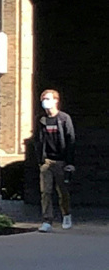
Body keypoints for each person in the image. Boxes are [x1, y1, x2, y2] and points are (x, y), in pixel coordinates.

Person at [34, 89, 75, 232]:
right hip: (47, 161)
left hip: (61, 161)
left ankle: (66, 215)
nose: (45, 102)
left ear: (56, 100)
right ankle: (47, 220)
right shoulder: (41, 120)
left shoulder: (64, 118)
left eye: (48, 98)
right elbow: (38, 140)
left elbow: (70, 140)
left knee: (62, 191)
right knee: (45, 192)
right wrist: (40, 159)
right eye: (43, 99)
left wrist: (70, 162)